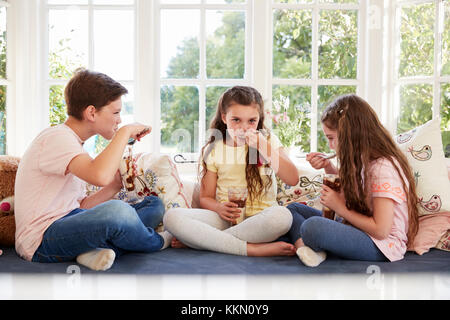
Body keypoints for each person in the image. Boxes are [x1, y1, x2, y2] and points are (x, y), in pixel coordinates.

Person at [14, 69, 171, 271]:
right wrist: (124, 134)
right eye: (115, 112)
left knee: (153, 204)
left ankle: (88, 251)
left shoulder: (75, 146)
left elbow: (82, 206)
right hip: (41, 239)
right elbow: (100, 175)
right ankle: (157, 242)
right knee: (118, 212)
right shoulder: (56, 137)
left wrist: (115, 185)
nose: (119, 120)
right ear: (91, 113)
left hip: (69, 222)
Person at [284, 94, 419, 267]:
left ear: (351, 135)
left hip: (381, 245)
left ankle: (312, 247)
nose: (330, 146)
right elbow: (355, 189)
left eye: (331, 138)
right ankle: (309, 251)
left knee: (312, 227)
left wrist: (339, 207)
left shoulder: (382, 168)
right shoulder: (365, 161)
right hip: (357, 228)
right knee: (293, 210)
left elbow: (381, 230)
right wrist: (329, 167)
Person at [163, 86, 299, 257]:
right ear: (224, 117)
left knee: (283, 217)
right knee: (172, 217)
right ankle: (252, 249)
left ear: (259, 119)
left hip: (261, 220)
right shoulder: (213, 149)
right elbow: (206, 198)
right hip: (225, 220)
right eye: (236, 120)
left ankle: (202, 242)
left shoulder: (268, 140)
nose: (243, 127)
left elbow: (292, 178)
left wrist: (262, 146)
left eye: (251, 121)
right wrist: (219, 208)